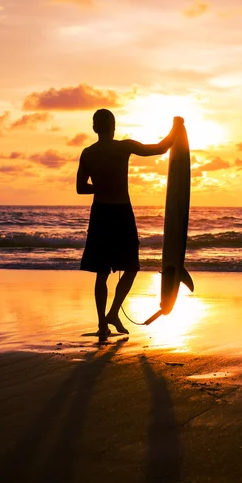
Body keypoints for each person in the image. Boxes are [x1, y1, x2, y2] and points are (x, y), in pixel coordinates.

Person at [77, 109, 183, 341]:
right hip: (122, 213)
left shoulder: (88, 153)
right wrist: (176, 128)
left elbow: (80, 188)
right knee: (131, 267)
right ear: (113, 127)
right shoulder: (123, 147)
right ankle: (113, 312)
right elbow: (160, 148)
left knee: (102, 273)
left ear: (95, 128)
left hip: (101, 214)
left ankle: (103, 323)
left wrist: (100, 187)